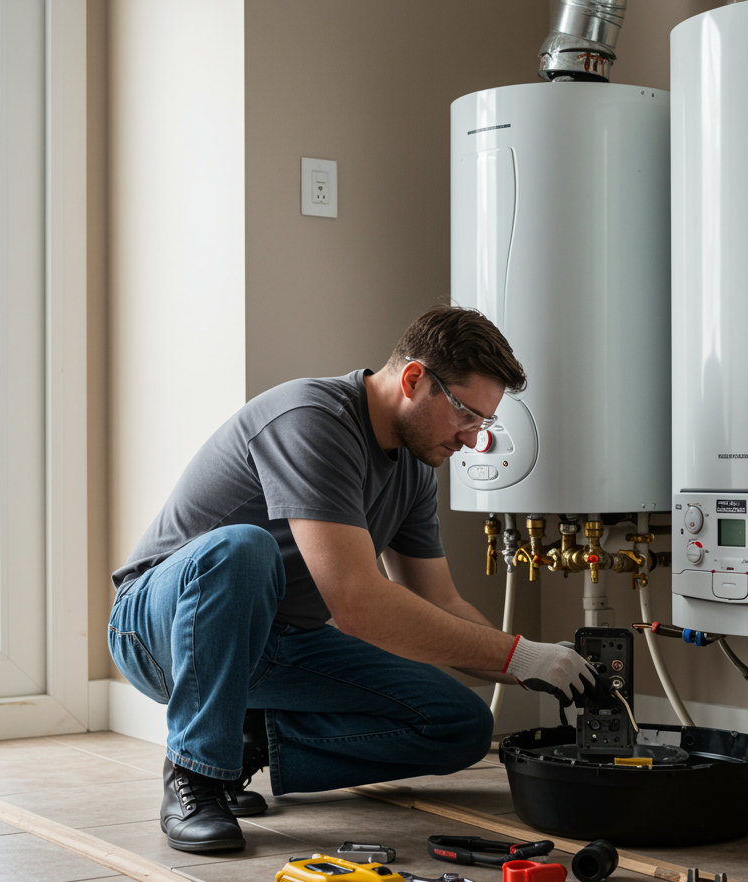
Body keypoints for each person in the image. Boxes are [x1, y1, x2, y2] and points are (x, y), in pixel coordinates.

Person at [108, 306, 598, 853]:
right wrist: (517, 655)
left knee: (461, 724)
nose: (471, 438)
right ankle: (195, 774)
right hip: (160, 626)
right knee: (243, 547)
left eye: (484, 422)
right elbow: (357, 605)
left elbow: (439, 602)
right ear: (414, 380)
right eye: (466, 414)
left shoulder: (415, 466)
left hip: (277, 640)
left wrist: (536, 664)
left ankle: (243, 741)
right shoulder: (311, 420)